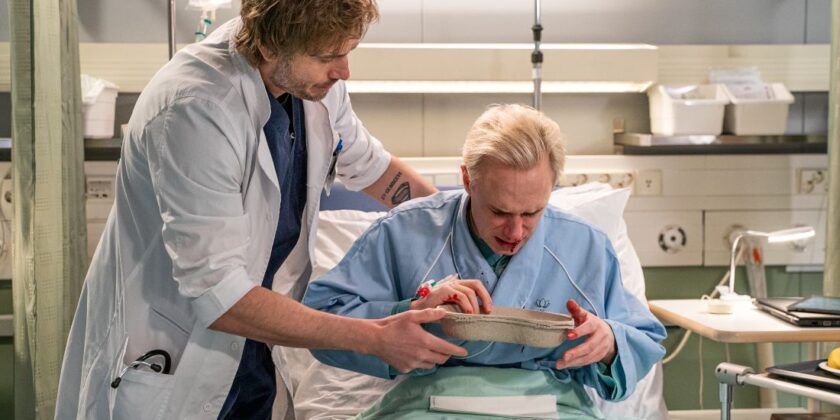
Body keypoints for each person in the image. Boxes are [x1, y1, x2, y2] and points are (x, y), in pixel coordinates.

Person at [55, 1, 469, 418]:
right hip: (178, 355)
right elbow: (220, 294)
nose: (343, 71)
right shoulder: (196, 109)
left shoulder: (311, 85)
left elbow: (374, 169)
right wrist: (375, 337)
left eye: (348, 51)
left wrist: (463, 224)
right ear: (270, 45)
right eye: (327, 57)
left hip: (257, 355)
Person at [303, 104, 667, 419]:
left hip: (553, 406)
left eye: (532, 212)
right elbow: (321, 320)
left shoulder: (584, 246)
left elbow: (641, 337)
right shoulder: (404, 233)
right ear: (467, 179)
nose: (516, 231)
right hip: (426, 405)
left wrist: (609, 343)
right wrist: (409, 312)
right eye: (499, 211)